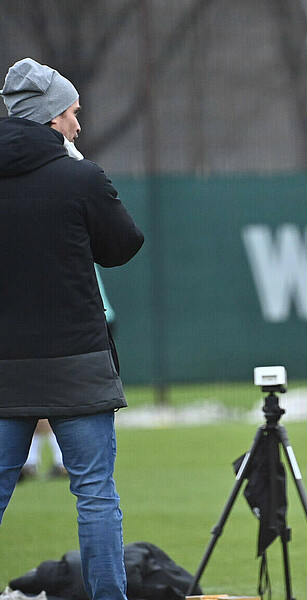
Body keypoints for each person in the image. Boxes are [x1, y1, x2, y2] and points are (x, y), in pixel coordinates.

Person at [0, 58, 144, 600]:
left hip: (5, 364)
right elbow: (123, 246)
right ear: (50, 117)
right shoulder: (78, 176)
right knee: (95, 494)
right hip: (76, 361)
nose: (78, 124)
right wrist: (87, 175)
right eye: (72, 113)